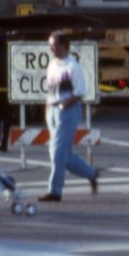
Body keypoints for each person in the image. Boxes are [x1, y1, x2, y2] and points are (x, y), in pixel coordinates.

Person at [39, 31, 99, 202]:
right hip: (52, 110)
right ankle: (91, 173)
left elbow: (80, 92)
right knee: (60, 154)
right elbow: (50, 89)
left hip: (67, 111)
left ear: (64, 45)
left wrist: (65, 104)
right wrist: (48, 108)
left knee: (57, 152)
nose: (51, 48)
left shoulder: (73, 66)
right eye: (50, 44)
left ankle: (55, 191)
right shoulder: (51, 65)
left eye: (54, 44)